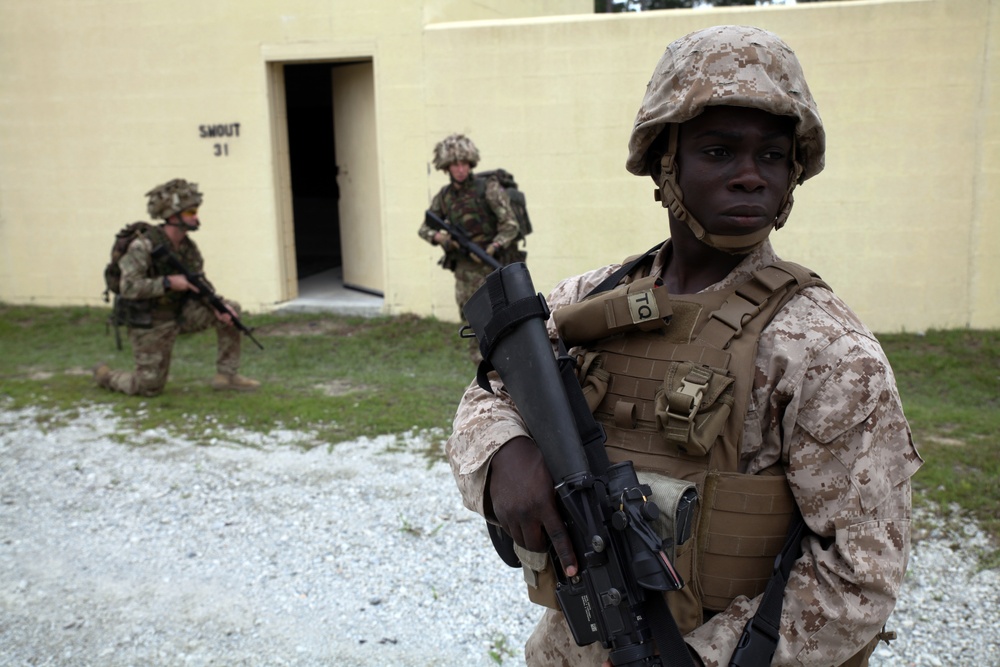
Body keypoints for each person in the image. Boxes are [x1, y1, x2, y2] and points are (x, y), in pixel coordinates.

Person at [446, 25, 923, 667]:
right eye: (719, 151)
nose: (751, 177)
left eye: (773, 157)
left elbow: (861, 575)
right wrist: (504, 452)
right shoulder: (588, 301)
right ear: (665, 162)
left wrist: (702, 657)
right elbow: (486, 395)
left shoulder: (827, 351)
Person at [93, 178, 260, 396]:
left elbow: (199, 282)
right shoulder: (143, 246)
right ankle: (106, 375)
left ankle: (227, 376)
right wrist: (168, 282)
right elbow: (129, 287)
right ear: (173, 216)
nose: (196, 217)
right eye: (191, 213)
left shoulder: (188, 248)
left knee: (230, 309)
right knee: (148, 388)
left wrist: (218, 306)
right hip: (150, 322)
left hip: (180, 313)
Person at [418, 133, 524, 361]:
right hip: (464, 273)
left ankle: (503, 364)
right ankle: (479, 368)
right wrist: (444, 239)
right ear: (446, 167)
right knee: (470, 320)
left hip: (491, 267)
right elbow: (424, 228)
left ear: (471, 163)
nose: (460, 169)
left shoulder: (488, 188)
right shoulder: (444, 197)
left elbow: (510, 225)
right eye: (454, 164)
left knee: (498, 318)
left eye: (464, 163)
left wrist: (494, 246)